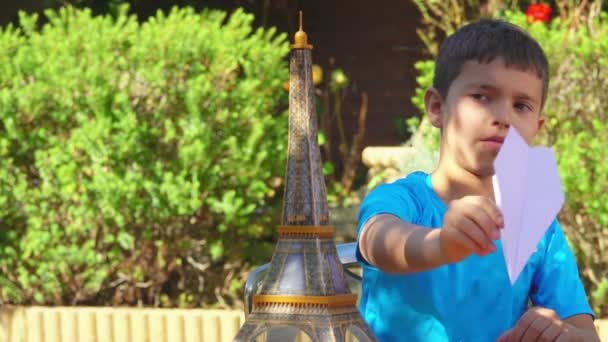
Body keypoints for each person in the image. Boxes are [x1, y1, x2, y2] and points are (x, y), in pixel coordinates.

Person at [356, 19, 599, 341]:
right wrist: (441, 244)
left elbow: (586, 334)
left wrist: (559, 334)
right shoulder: (400, 200)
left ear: (536, 127)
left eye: (521, 105)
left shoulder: (536, 227)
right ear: (437, 107)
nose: (505, 117)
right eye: (483, 97)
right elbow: (378, 241)